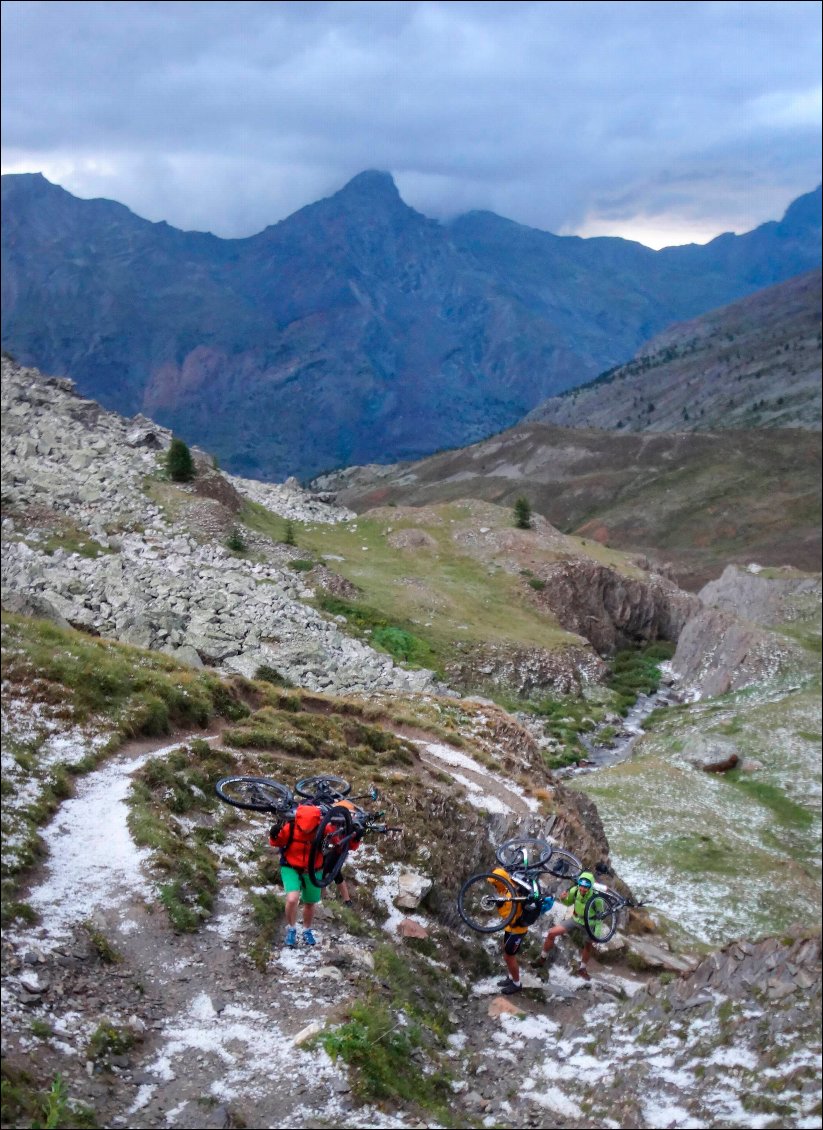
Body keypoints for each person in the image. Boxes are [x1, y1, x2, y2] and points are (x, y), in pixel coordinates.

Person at [269, 803, 330, 947]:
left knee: (310, 903)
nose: (305, 829)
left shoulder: (324, 829)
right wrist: (273, 834)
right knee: (292, 899)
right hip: (290, 867)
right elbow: (276, 842)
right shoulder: (290, 827)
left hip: (314, 870)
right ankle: (291, 929)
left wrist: (355, 838)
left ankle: (307, 930)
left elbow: (341, 842)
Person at [488, 868, 554, 995]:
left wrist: (499, 906)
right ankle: (511, 977)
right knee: (507, 954)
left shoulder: (510, 894)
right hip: (511, 928)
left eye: (495, 883)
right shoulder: (510, 887)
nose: (494, 885)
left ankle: (516, 984)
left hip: (517, 930)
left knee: (509, 956)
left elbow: (507, 915)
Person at [532, 870, 597, 980]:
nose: (582, 889)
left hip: (590, 923)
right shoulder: (575, 890)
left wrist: (597, 935)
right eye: (581, 886)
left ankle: (582, 969)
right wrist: (563, 898)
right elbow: (568, 903)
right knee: (551, 933)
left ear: (590, 887)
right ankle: (542, 958)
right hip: (575, 919)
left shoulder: (596, 898)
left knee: (588, 945)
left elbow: (601, 917)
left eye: (586, 887)